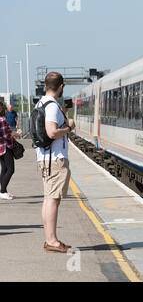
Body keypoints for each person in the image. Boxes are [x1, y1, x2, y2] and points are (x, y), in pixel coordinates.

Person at [36, 72, 76, 253]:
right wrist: (68, 128)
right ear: (61, 86)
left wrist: (63, 116)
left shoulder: (41, 103)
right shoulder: (51, 106)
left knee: (48, 199)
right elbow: (51, 132)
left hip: (46, 158)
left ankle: (50, 239)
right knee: (53, 200)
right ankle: (51, 241)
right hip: (55, 160)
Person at [0, 102, 20, 200]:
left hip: (0, 148)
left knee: (4, 169)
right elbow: (6, 136)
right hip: (5, 147)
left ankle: (4, 191)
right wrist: (15, 135)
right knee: (11, 169)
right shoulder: (2, 120)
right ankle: (2, 191)